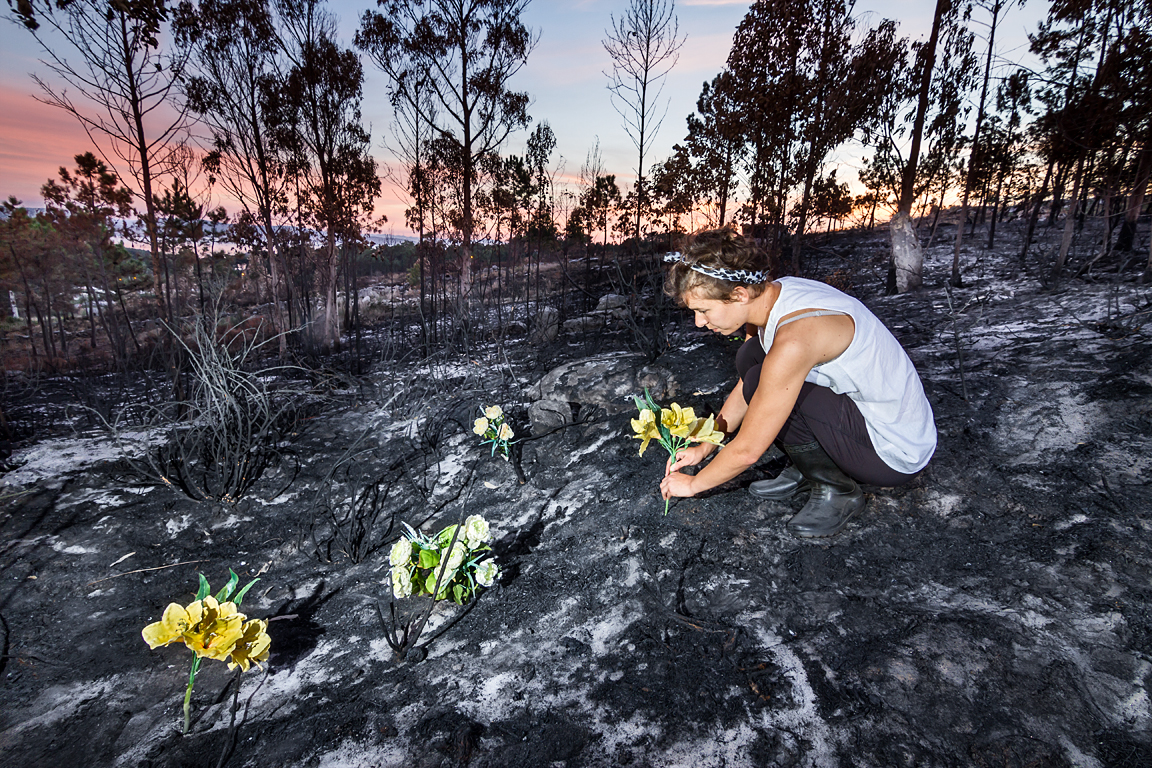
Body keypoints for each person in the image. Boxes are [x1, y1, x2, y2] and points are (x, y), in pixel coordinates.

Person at [659, 227, 936, 537]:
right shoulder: (774, 293)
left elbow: (748, 450)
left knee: (766, 378)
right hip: (867, 417)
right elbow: (747, 386)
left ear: (738, 294)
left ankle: (838, 490)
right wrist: (704, 447)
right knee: (752, 358)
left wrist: (694, 484)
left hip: (893, 450)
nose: (699, 322)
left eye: (703, 310)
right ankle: (810, 465)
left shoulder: (795, 339)